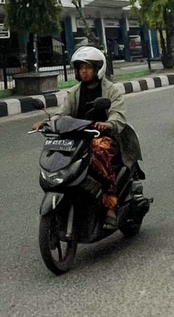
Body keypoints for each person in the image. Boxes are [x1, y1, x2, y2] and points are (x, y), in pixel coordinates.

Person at [49, 45, 136, 214]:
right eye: (81, 68)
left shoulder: (110, 90)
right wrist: (48, 123)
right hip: (80, 137)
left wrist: (108, 124)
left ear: (98, 69)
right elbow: (62, 113)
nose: (84, 72)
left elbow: (117, 114)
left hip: (106, 137)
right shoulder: (74, 92)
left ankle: (110, 202)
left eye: (88, 67)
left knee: (98, 151)